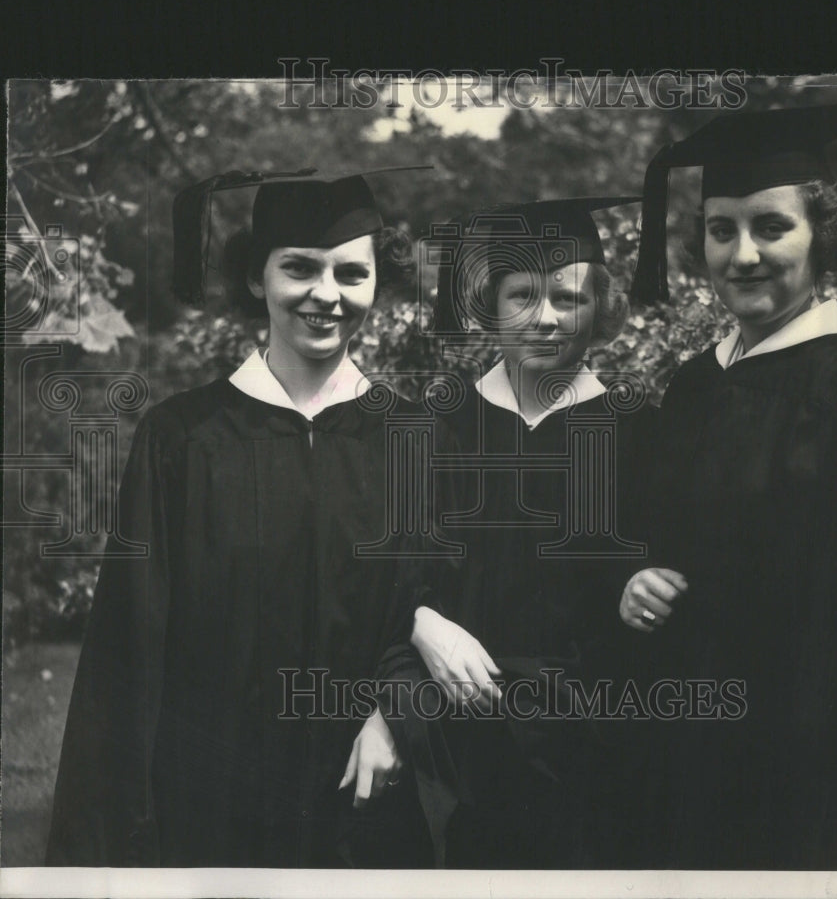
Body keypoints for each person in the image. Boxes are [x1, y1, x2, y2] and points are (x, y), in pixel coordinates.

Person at [46, 167, 435, 867]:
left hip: (366, 807)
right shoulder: (182, 437)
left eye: (351, 273)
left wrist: (395, 718)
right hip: (212, 806)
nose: (326, 294)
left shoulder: (411, 438)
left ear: (378, 285)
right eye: (299, 269)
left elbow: (431, 604)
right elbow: (129, 639)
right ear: (256, 279)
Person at [623, 103, 837, 869]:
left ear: (823, 236)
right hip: (690, 758)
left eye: (770, 227)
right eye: (722, 230)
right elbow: (650, 535)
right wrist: (633, 578)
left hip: (818, 776)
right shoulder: (690, 387)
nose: (742, 254)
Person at [407, 197, 657, 868]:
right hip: (458, 751)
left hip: (598, 752)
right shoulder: (438, 426)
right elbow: (388, 569)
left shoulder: (637, 432)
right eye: (522, 295)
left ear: (598, 310)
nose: (544, 318)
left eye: (567, 299)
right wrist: (420, 617)